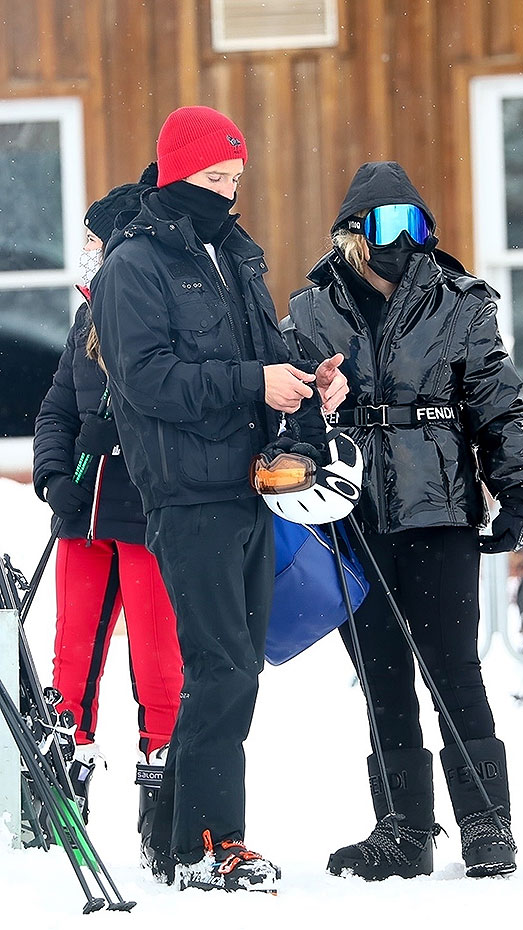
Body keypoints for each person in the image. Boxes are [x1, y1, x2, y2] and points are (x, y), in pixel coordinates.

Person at [89, 105, 348, 894]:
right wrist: (251, 381)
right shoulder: (132, 267)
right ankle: (212, 843)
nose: (227, 192)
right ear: (175, 173)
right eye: (213, 178)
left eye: (235, 178)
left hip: (248, 489)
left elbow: (268, 355)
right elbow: (146, 380)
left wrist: (311, 385)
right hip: (184, 494)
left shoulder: (232, 253)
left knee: (237, 669)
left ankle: (174, 843)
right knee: (222, 667)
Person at [285, 161, 523, 881]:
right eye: (388, 226)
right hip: (352, 516)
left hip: (440, 512)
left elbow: (500, 403)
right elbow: (286, 418)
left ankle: (487, 821)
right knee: (381, 674)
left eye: (418, 225)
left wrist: (517, 491)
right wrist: (313, 425)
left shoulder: (460, 302)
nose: (406, 243)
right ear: (352, 236)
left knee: (453, 669)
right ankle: (403, 828)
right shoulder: (309, 312)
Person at [32, 167, 184, 851]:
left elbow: (167, 396)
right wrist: (52, 472)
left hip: (143, 514)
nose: (86, 250)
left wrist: (118, 432)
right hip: (83, 515)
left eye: (95, 239)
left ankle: (162, 792)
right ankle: (65, 777)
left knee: (158, 662)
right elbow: (59, 402)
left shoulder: (154, 306)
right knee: (72, 658)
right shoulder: (87, 312)